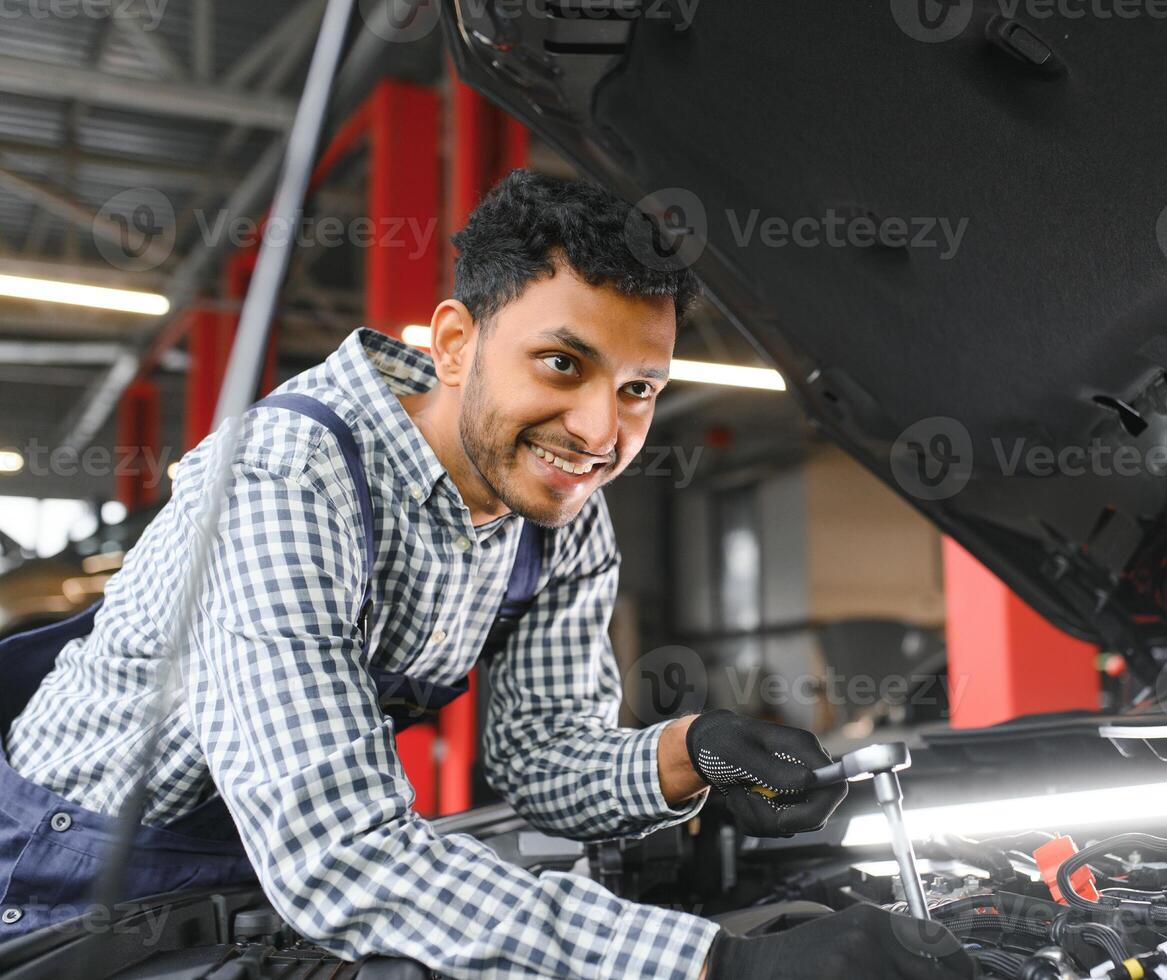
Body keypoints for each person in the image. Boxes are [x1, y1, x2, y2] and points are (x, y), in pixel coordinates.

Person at [0, 171, 970, 979]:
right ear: (456, 342)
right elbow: (340, 852)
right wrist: (718, 963)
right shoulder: (287, 480)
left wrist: (694, 749)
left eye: (638, 390)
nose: (601, 432)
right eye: (561, 363)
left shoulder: (556, 513)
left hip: (246, 878)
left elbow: (542, 753)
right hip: (65, 892)